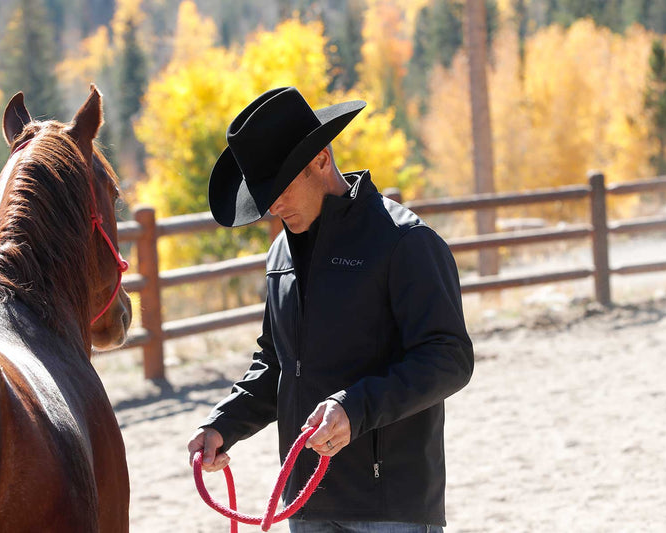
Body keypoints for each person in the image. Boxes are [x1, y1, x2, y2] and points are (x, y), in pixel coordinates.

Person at [188, 86, 474, 532]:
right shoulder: (280, 255)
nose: (273, 207)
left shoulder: (404, 243)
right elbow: (277, 363)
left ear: (321, 159)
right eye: (264, 196)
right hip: (306, 502)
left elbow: (449, 359)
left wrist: (354, 407)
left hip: (391, 505)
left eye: (280, 188)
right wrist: (224, 424)